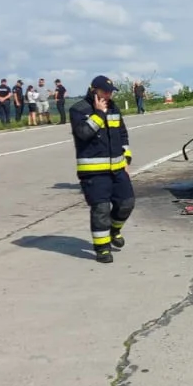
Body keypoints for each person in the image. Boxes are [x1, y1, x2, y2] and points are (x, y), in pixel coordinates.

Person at [70, 76, 135, 264]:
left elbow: (122, 134)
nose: (109, 94)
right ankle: (102, 248)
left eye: (111, 91)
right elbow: (83, 134)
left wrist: (127, 158)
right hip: (93, 172)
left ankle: (115, 230)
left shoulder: (114, 107)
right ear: (94, 90)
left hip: (117, 169)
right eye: (105, 91)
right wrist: (98, 114)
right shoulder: (79, 109)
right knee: (101, 209)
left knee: (127, 203)